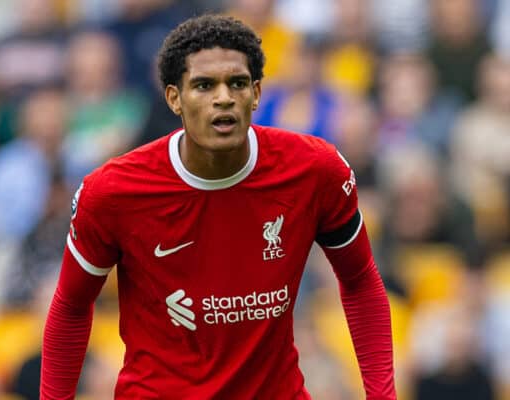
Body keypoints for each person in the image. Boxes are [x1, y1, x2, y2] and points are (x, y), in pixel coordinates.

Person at [41, 15, 396, 399]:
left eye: (237, 83)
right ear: (174, 97)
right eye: (204, 85)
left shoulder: (315, 171)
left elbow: (360, 280)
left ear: (257, 93)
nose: (223, 97)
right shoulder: (112, 193)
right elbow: (72, 306)